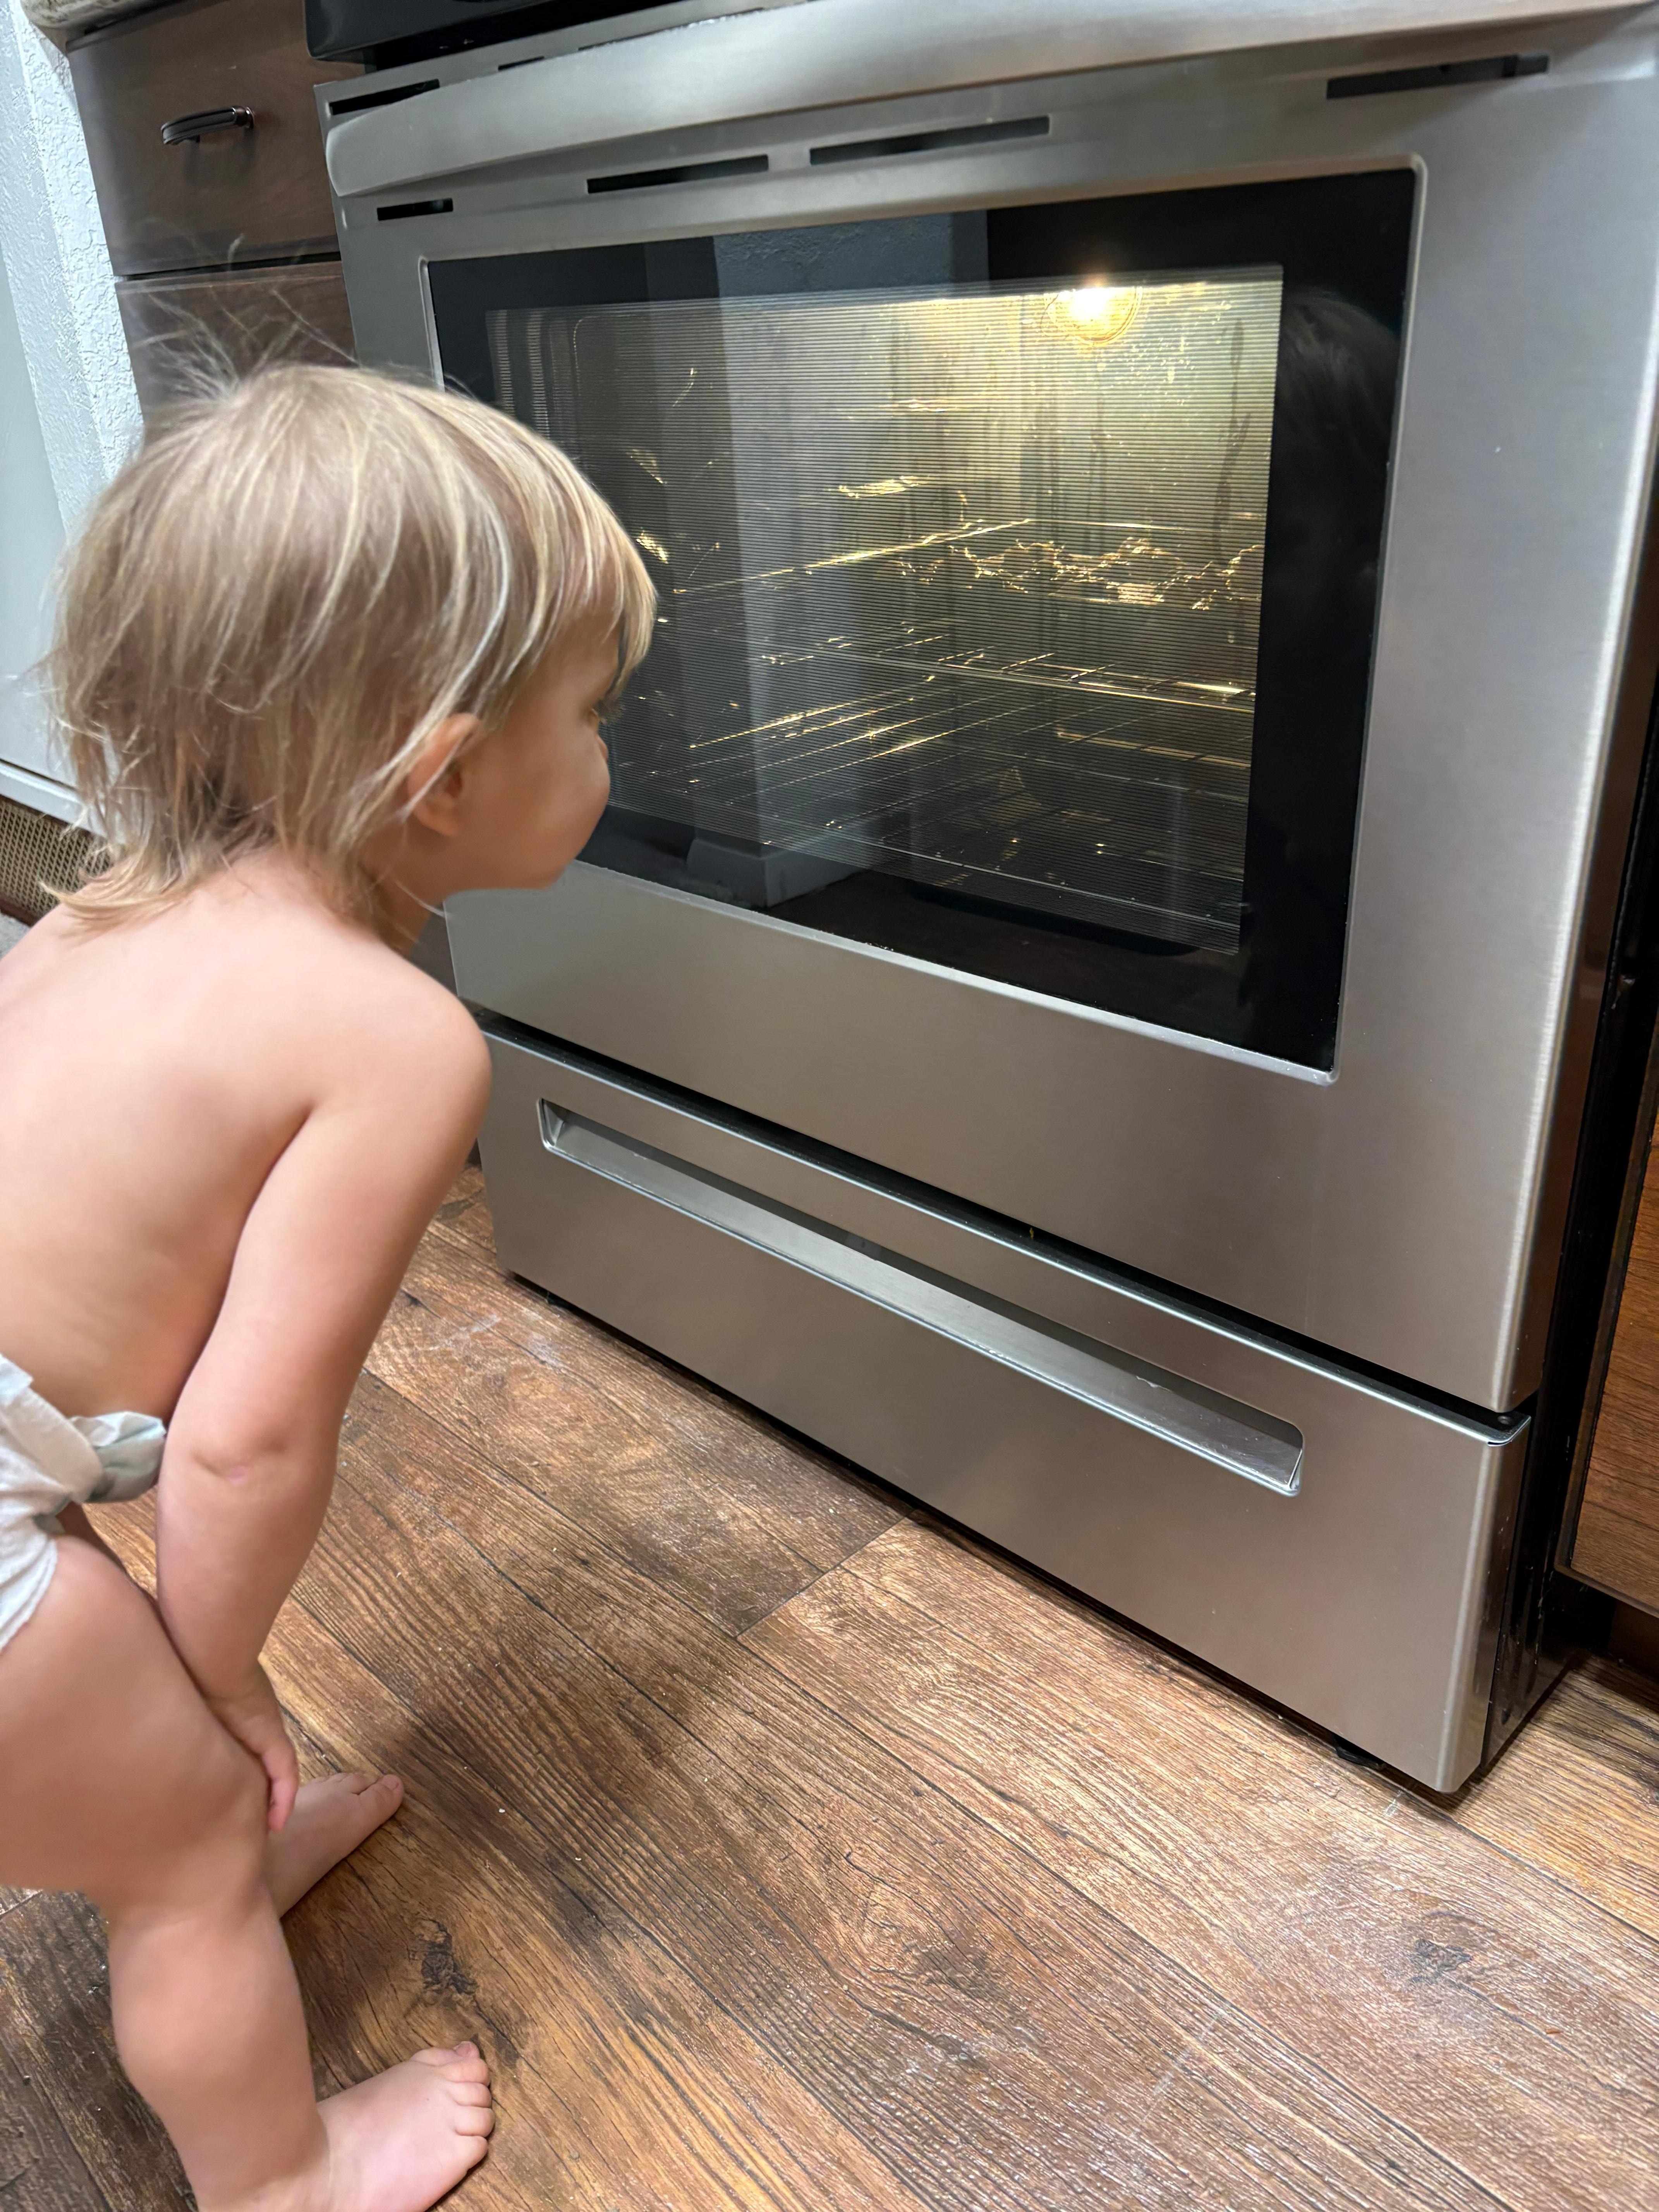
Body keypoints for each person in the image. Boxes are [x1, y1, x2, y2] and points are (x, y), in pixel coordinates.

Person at [0, 365, 654, 2211]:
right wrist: (218, 1697)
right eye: (593, 712)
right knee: (189, 1843)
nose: (610, 751)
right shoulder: (391, 1035)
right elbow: (243, 1445)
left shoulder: (91, 911)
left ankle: (163, 1806)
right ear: (442, 780)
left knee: (148, 1764)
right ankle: (278, 2172)